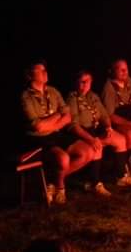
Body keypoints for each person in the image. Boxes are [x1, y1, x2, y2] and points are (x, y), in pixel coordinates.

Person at [21, 61, 95, 205]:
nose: (45, 72)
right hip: (39, 139)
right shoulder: (26, 97)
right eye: (40, 70)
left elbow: (67, 116)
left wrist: (53, 122)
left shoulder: (53, 91)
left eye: (45, 69)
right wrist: (56, 116)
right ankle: (60, 188)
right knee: (63, 159)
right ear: (30, 75)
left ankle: (52, 182)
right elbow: (38, 127)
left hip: (56, 134)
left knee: (88, 152)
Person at [67, 71, 131, 196]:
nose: (85, 84)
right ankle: (95, 183)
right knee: (96, 146)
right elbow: (74, 126)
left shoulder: (94, 96)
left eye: (88, 81)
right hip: (83, 133)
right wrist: (91, 139)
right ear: (77, 82)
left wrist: (108, 127)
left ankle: (121, 176)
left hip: (97, 129)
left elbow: (104, 115)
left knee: (120, 139)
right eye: (82, 81)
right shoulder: (72, 99)